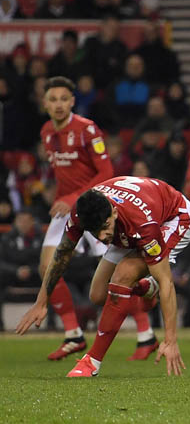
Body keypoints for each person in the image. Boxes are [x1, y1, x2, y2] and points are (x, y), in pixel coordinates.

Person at [15, 175, 190, 378]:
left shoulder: (143, 224)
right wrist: (41, 302)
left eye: (104, 227)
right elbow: (62, 254)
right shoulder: (81, 213)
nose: (102, 237)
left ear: (114, 213)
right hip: (129, 223)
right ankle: (146, 287)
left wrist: (170, 340)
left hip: (174, 218)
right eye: (95, 231)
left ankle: (92, 361)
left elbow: (167, 281)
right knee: (98, 295)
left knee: (124, 274)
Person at [37, 77, 158, 360]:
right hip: (68, 210)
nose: (58, 104)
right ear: (44, 103)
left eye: (63, 99)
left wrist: (72, 197)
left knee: (119, 275)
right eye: (53, 99)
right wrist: (62, 197)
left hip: (96, 207)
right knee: (47, 267)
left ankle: (146, 334)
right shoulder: (46, 132)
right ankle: (73, 334)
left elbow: (106, 173)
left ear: (72, 101)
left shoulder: (87, 129)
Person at [81, 12, 127, 89]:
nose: (113, 31)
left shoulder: (121, 47)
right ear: (102, 26)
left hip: (111, 87)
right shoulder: (91, 43)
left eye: (115, 29)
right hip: (90, 85)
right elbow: (84, 63)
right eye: (110, 27)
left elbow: (121, 71)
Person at [133, 20, 180, 86]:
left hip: (162, 88)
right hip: (141, 88)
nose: (149, 35)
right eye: (147, 32)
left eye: (152, 32)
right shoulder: (137, 53)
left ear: (157, 33)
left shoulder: (168, 54)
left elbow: (174, 75)